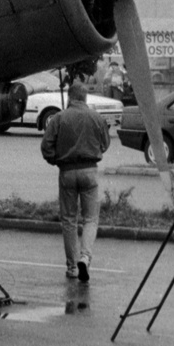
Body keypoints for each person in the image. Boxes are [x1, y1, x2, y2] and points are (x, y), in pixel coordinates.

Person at [41, 81, 110, 281]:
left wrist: (55, 160)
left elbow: (46, 146)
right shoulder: (97, 118)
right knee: (90, 219)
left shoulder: (59, 118)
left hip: (67, 172)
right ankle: (85, 257)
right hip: (89, 171)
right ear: (85, 97)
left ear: (70, 97)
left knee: (69, 220)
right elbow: (105, 144)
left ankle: (72, 267)